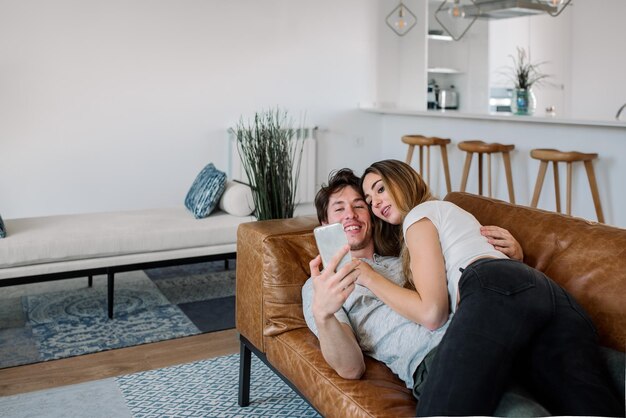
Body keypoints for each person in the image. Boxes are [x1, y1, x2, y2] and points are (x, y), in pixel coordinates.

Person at [360, 159, 623, 417]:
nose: (376, 202)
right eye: (370, 201)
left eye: (380, 189)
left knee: (439, 410)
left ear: (403, 180)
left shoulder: (419, 216)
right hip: (552, 298)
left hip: (495, 289)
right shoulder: (448, 212)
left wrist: (370, 277)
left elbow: (432, 313)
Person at [302, 168, 546, 415]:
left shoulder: (408, 254)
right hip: (436, 359)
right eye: (339, 209)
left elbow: (468, 273)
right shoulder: (321, 285)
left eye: (359, 206)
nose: (351, 215)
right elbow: (351, 368)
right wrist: (324, 315)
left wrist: (513, 257)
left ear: (371, 216)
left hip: (489, 333)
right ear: (325, 224)